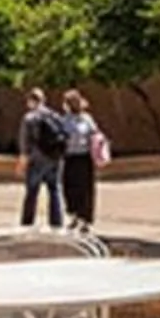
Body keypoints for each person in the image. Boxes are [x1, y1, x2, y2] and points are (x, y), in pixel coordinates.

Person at [17, 87, 71, 228]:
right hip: (54, 159)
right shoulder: (55, 116)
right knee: (54, 190)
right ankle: (56, 222)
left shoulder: (29, 118)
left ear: (31, 101)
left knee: (32, 191)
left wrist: (23, 161)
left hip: (36, 160)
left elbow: (25, 142)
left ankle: (27, 223)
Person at [58, 89, 106, 228]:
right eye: (70, 102)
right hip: (70, 158)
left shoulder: (87, 118)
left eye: (75, 102)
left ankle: (85, 219)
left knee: (86, 189)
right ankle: (73, 215)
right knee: (70, 188)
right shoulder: (64, 120)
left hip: (85, 158)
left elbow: (95, 134)